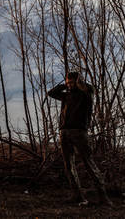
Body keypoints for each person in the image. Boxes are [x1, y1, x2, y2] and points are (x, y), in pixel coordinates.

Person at [48, 72, 112, 206]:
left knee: (89, 163)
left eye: (71, 82)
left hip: (79, 132)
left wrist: (79, 83)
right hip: (64, 132)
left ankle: (103, 197)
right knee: (69, 165)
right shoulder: (66, 95)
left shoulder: (86, 94)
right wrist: (63, 85)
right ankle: (77, 196)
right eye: (67, 83)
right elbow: (51, 93)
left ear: (78, 81)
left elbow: (92, 89)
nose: (69, 85)